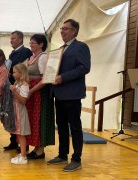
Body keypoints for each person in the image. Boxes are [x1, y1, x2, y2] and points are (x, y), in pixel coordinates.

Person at [47, 19, 91, 172]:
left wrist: (63, 77)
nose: (62, 31)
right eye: (61, 29)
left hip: (72, 94)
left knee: (75, 127)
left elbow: (84, 67)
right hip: (58, 94)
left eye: (66, 29)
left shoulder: (81, 47)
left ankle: (76, 159)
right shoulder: (60, 49)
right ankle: (62, 155)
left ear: (74, 31)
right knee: (62, 127)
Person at [26, 34, 55, 160]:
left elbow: (45, 79)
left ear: (41, 44)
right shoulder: (32, 57)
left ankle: (40, 150)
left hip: (40, 93)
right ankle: (36, 148)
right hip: (32, 93)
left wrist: (32, 90)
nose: (31, 44)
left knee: (40, 119)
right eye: (30, 42)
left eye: (33, 42)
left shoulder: (43, 57)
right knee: (33, 120)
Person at [4, 30, 32, 151]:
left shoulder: (26, 52)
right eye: (11, 39)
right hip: (13, 85)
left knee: (20, 120)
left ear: (20, 39)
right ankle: (13, 141)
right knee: (12, 116)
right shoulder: (12, 53)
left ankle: (23, 146)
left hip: (20, 86)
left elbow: (24, 68)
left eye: (13, 38)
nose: (11, 40)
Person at [9, 63, 31, 164]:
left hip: (20, 110)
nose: (13, 74)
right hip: (15, 109)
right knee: (18, 133)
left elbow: (23, 100)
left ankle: (23, 156)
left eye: (14, 72)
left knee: (21, 134)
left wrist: (14, 92)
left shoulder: (24, 85)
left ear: (21, 73)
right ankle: (22, 154)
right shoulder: (17, 83)